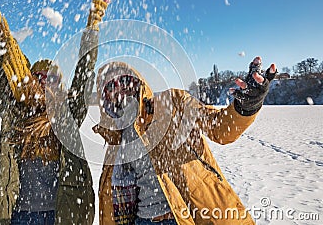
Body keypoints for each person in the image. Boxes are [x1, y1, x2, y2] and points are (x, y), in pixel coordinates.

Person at [93, 58, 277, 224]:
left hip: (185, 215)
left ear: (138, 82)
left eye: (124, 80)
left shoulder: (172, 103)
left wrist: (246, 105)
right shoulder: (116, 137)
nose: (120, 88)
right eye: (111, 86)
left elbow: (220, 129)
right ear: (105, 97)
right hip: (143, 220)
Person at [0, 0, 110, 224]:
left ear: (58, 86)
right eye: (38, 76)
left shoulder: (66, 116)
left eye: (50, 79)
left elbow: (84, 73)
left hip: (61, 214)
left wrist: (93, 26)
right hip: (18, 214)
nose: (43, 82)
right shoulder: (16, 112)